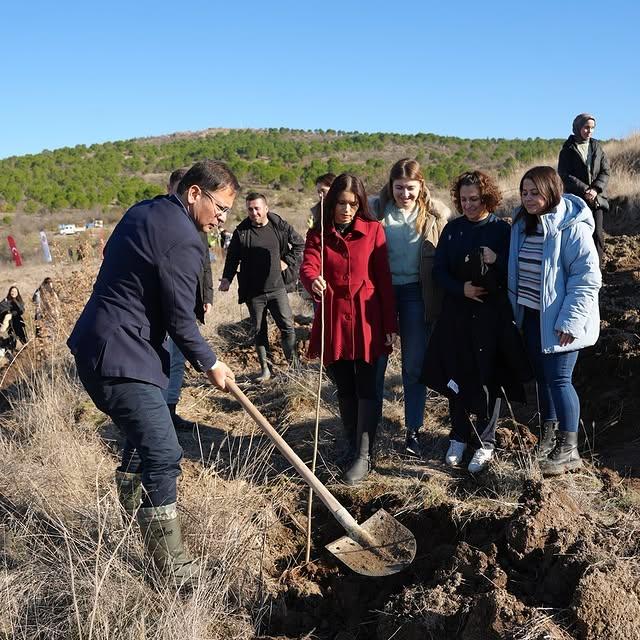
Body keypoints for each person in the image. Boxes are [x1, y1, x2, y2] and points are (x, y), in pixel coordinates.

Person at [67, 160, 237, 586]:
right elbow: (181, 321)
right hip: (121, 357)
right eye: (219, 206)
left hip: (96, 345)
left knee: (146, 437)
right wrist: (212, 362)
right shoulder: (186, 240)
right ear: (194, 193)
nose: (221, 217)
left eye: (227, 213)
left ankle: (129, 513)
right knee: (163, 451)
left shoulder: (142, 211)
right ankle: (172, 567)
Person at [423, 171, 530, 473]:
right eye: (464, 199)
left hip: (491, 316)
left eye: (475, 199)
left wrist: (496, 260)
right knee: (457, 373)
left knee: (488, 377)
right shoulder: (453, 229)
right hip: (457, 314)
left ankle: (486, 441)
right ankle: (458, 435)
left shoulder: (501, 230)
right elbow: (439, 271)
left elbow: (514, 274)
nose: (468, 205)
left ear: (487, 198)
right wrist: (462, 289)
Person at [300, 174, 398, 485]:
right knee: (344, 386)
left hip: (368, 319)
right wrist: (312, 279)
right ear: (330, 204)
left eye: (353, 204)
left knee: (368, 386)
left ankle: (364, 455)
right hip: (334, 319)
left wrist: (391, 325)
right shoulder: (319, 234)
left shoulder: (373, 230)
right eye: (341, 203)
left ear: (361, 205)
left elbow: (383, 278)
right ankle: (352, 441)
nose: (346, 210)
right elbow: (308, 265)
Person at [508, 166, 601, 476]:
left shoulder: (571, 226)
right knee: (544, 380)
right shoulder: (523, 224)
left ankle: (569, 448)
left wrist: (570, 322)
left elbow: (586, 278)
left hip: (561, 321)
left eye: (535, 192)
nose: (529, 198)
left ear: (551, 191)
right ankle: (548, 438)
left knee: (560, 380)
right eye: (524, 193)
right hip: (532, 316)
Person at [369, 158, 453, 457]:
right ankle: (371, 427)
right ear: (391, 187)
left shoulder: (433, 215)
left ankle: (413, 429)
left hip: (417, 295)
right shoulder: (376, 211)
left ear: (421, 187)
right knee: (376, 363)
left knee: (414, 366)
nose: (405, 194)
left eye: (411, 188)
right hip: (381, 296)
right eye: (399, 188)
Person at [219, 192, 304, 382]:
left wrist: (287, 260)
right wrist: (227, 279)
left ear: (266, 208)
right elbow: (232, 258)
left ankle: (295, 366)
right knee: (259, 330)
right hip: (253, 292)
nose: (254, 212)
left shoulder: (279, 227)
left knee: (287, 327)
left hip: (277, 288)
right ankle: (265, 369)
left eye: (257, 208)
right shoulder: (242, 232)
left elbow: (299, 244)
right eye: (250, 209)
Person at [161, 168, 215, 430]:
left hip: (186, 306)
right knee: (162, 362)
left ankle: (169, 409)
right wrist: (211, 363)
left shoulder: (199, 225)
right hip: (164, 314)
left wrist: (206, 295)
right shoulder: (162, 225)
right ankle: (160, 415)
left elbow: (204, 265)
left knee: (176, 361)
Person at [558, 113, 610, 267]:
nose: (590, 131)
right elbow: (564, 175)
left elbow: (605, 171)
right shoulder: (567, 149)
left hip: (596, 199)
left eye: (592, 128)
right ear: (578, 127)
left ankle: (597, 271)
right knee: (578, 235)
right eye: (586, 127)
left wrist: (594, 189)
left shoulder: (597, 147)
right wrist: (585, 190)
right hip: (576, 201)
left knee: (598, 236)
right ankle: (578, 269)